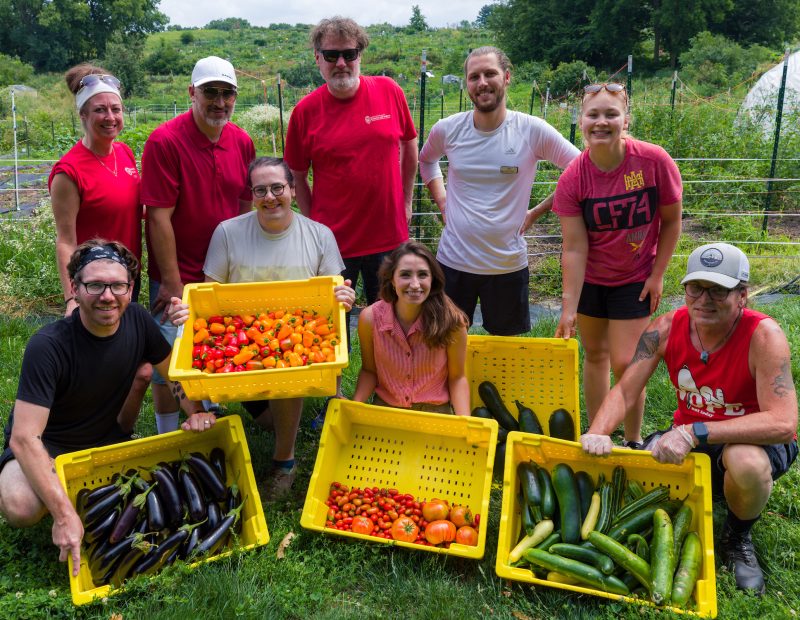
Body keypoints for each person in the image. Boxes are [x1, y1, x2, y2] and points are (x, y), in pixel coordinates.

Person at [580, 243, 798, 595]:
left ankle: (737, 537)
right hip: (691, 435)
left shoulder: (764, 336)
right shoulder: (666, 327)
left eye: (718, 290)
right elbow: (625, 390)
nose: (704, 299)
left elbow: (783, 424)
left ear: (742, 295)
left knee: (744, 463)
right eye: (696, 288)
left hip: (751, 440)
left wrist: (695, 431)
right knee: (634, 468)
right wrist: (599, 431)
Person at [0, 240, 214, 577]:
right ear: (75, 288)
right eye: (95, 285)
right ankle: (57, 494)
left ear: (130, 289)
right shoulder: (48, 345)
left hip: (105, 439)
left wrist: (195, 410)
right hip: (48, 446)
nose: (107, 296)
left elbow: (172, 372)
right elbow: (25, 438)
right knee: (21, 507)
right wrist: (63, 514)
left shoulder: (139, 321)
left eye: (117, 285)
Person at [168, 157, 356, 499]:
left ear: (293, 191)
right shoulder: (228, 232)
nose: (270, 197)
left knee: (288, 380)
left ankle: (284, 461)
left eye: (277, 188)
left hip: (293, 347)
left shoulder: (319, 235)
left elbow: (333, 297)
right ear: (252, 195)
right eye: (260, 190)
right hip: (246, 341)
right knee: (267, 416)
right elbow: (210, 300)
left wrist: (344, 295)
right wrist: (187, 311)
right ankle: (217, 415)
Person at [553, 82, 682, 447]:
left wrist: (658, 275)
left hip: (635, 277)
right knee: (595, 355)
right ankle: (597, 434)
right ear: (581, 121)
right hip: (591, 280)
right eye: (593, 114)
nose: (601, 121)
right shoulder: (573, 178)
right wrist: (569, 307)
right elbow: (575, 248)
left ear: (625, 119)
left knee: (627, 363)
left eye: (611, 113)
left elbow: (672, 220)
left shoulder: (654, 161)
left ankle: (633, 438)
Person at [419, 46, 580, 336]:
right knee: (443, 345)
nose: (482, 82)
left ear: (506, 77)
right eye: (474, 76)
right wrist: (442, 201)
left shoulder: (531, 130)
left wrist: (538, 211)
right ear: (467, 84)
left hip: (507, 266)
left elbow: (581, 170)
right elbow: (427, 160)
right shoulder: (448, 130)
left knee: (507, 352)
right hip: (453, 263)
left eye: (490, 73)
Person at [284, 16, 418, 343]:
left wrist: (406, 201)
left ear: (361, 55)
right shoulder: (305, 112)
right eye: (331, 55)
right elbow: (297, 176)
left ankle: (390, 389)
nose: (341, 63)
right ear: (317, 58)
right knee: (331, 327)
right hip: (332, 243)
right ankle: (334, 390)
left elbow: (410, 147)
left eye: (349, 53)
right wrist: (314, 225)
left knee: (393, 323)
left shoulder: (389, 92)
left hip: (388, 235)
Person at [141, 55, 255, 434]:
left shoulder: (241, 142)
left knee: (211, 348)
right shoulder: (165, 141)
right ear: (192, 92)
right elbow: (158, 216)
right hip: (179, 271)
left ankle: (205, 419)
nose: (219, 102)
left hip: (220, 272)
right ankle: (167, 431)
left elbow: (244, 207)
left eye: (227, 94)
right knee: (167, 357)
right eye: (210, 92)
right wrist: (172, 282)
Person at [48, 64, 150, 433]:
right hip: (94, 284)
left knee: (129, 363)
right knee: (95, 363)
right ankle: (80, 431)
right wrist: (71, 298)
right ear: (83, 114)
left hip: (126, 278)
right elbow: (65, 238)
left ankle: (119, 430)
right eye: (100, 110)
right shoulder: (68, 172)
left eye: (116, 109)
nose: (110, 117)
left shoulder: (123, 155)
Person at [352, 241, 469, 416]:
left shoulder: (452, 322)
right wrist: (355, 406)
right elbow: (369, 371)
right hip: (386, 409)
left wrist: (465, 424)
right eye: (405, 275)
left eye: (423, 275)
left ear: (432, 279)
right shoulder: (370, 319)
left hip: (434, 411)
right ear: (392, 279)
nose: (415, 284)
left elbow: (457, 377)